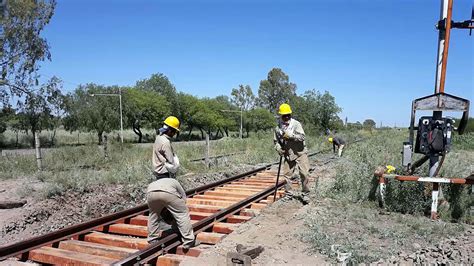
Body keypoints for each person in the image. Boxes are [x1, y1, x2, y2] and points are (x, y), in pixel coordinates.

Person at [147, 116, 199, 249]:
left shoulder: (158, 138)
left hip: (152, 188)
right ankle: (188, 240)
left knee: (154, 213)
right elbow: (170, 160)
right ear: (169, 130)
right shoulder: (165, 142)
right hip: (166, 174)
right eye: (174, 131)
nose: (175, 134)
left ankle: (152, 239)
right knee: (180, 211)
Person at [274, 103, 311, 204]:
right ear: (281, 115)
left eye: (288, 115)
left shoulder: (296, 124)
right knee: (287, 175)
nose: (286, 117)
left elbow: (302, 137)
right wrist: (279, 149)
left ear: (290, 114)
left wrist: (291, 136)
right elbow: (276, 141)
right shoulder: (278, 128)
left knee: (304, 173)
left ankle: (305, 194)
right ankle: (288, 194)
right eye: (284, 115)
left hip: (300, 152)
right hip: (288, 153)